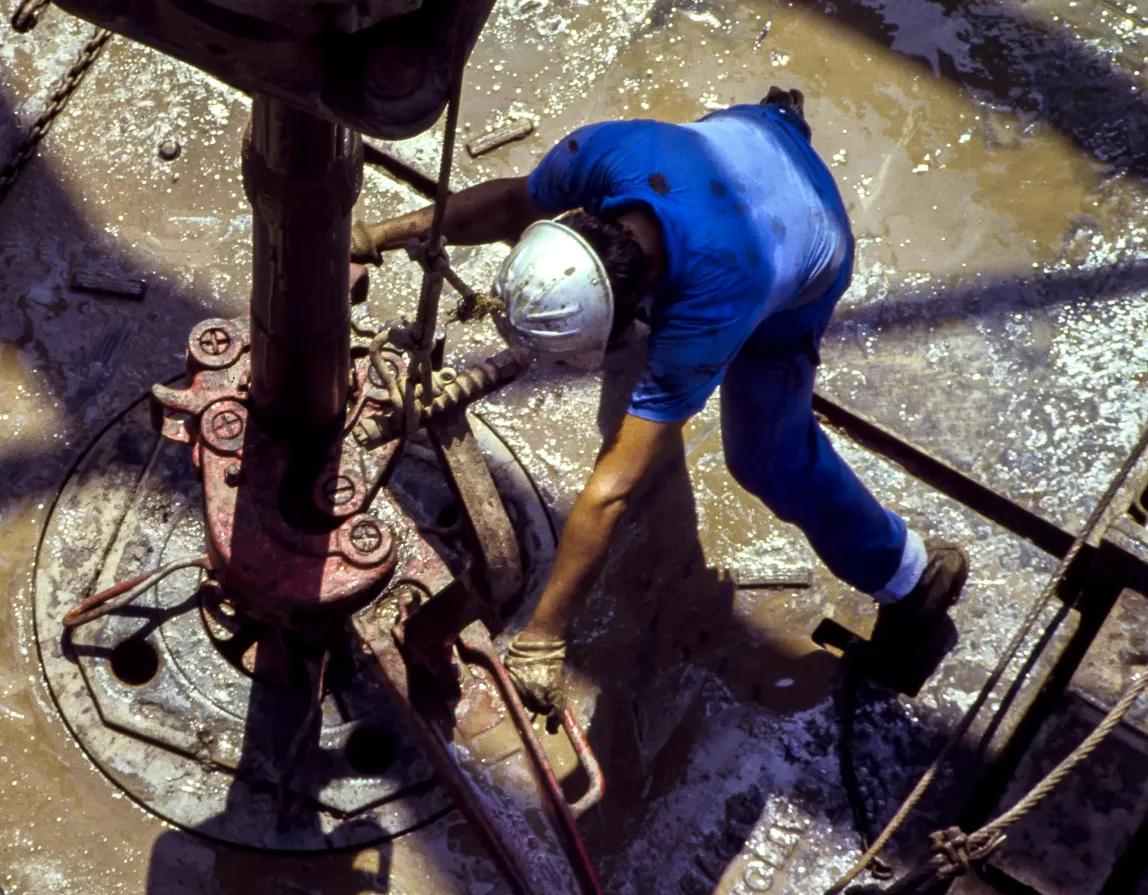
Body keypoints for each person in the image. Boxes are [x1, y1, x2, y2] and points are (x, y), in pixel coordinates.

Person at [351, 88, 969, 713]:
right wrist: (377, 235)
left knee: (765, 458)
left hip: (805, 235)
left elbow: (613, 489)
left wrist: (544, 636)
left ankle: (912, 576)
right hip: (746, 138)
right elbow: (513, 202)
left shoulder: (711, 310)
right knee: (651, 402)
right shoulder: (599, 157)